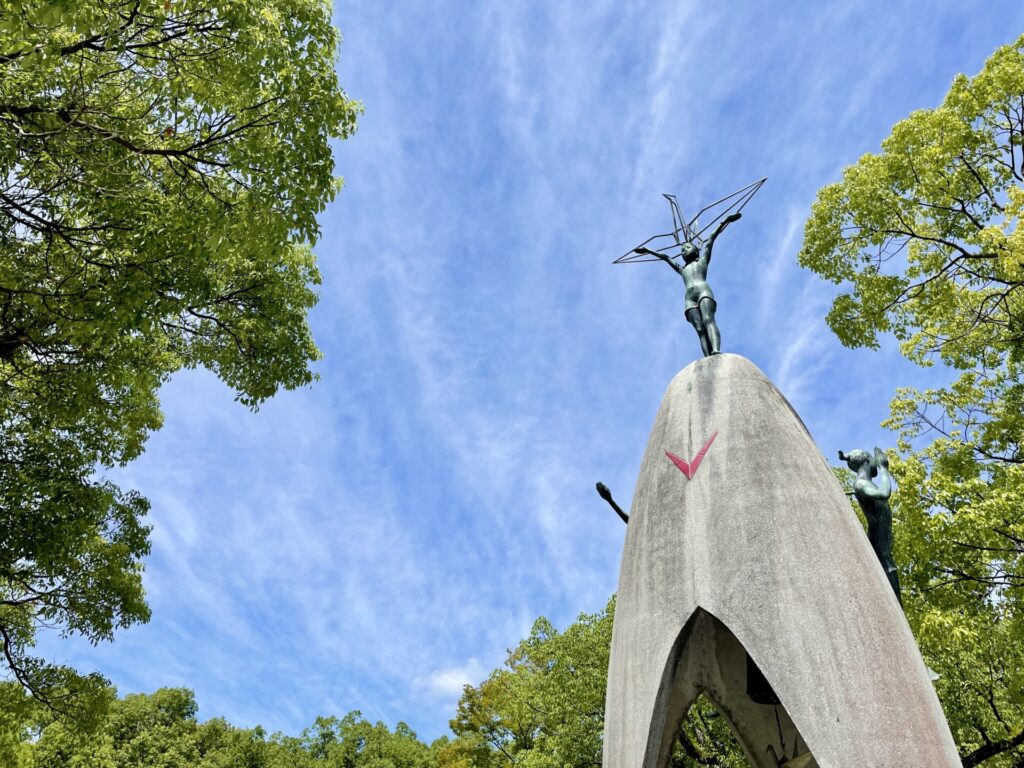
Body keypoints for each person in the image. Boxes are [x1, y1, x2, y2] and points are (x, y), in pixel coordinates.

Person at [634, 212, 742, 357]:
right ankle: (708, 357)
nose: (684, 250)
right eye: (682, 250)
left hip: (703, 291)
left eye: (687, 247)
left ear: (696, 250)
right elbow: (666, 257)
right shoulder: (682, 269)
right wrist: (648, 251)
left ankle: (716, 349)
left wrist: (725, 221)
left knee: (708, 319)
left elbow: (710, 240)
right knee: (699, 329)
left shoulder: (702, 262)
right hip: (689, 299)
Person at [839, 447, 901, 604]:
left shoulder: (865, 484)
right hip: (880, 546)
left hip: (883, 544)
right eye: (873, 460)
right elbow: (883, 493)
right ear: (866, 461)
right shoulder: (860, 484)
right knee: (890, 580)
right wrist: (884, 469)